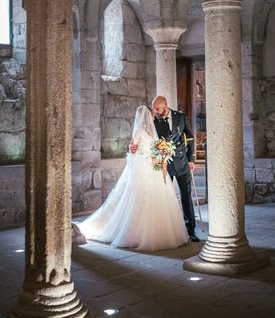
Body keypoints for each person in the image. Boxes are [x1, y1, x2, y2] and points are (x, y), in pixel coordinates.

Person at [77, 105, 188, 251]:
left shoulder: (151, 130)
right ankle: (137, 234)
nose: (153, 115)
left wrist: (161, 155)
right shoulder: (139, 132)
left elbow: (156, 147)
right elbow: (134, 155)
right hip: (145, 168)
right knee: (142, 199)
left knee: (159, 197)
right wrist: (150, 157)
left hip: (155, 166)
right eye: (150, 114)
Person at [130, 96, 201, 242]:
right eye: (154, 109)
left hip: (182, 162)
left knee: (186, 197)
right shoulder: (152, 121)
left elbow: (190, 137)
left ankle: (191, 230)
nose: (155, 111)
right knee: (165, 198)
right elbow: (140, 137)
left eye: (157, 108)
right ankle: (168, 230)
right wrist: (131, 147)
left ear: (166, 106)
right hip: (162, 166)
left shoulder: (180, 117)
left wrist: (191, 159)